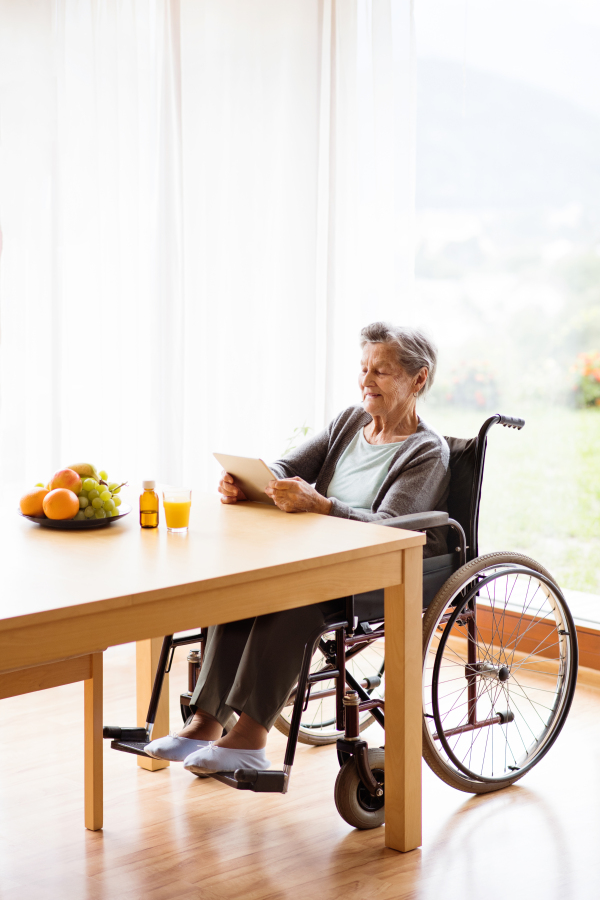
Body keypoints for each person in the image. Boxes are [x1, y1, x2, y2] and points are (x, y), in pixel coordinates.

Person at [145, 322, 450, 774]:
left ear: (418, 379)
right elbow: (289, 465)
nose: (366, 381)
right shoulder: (350, 422)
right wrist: (253, 483)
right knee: (241, 588)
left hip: (375, 566)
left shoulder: (427, 451)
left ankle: (250, 736)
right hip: (314, 552)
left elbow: (389, 528)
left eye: (381, 372)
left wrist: (321, 504)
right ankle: (208, 723)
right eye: (363, 369)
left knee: (291, 604)